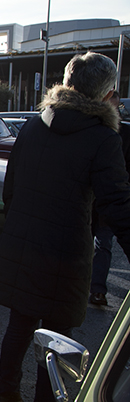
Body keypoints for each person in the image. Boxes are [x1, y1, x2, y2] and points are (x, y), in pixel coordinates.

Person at [0, 52, 130, 402]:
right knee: (58, 338)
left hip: (24, 243)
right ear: (106, 93)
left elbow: (12, 187)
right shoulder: (103, 137)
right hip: (66, 251)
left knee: (19, 325)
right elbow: (117, 204)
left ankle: (6, 397)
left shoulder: (33, 125)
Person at [89, 91, 130, 306]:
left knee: (102, 243)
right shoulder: (94, 132)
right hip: (90, 201)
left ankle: (97, 289)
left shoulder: (123, 135)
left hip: (109, 200)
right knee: (88, 243)